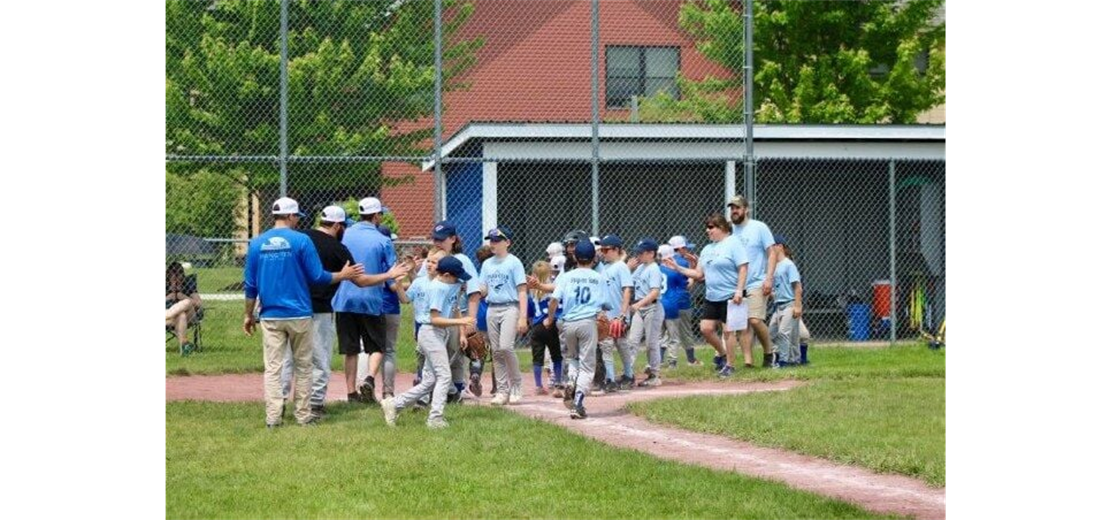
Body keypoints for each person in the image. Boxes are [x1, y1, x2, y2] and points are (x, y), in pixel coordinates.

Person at [243, 197, 365, 428]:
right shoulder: (301, 241)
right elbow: (317, 277)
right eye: (297, 216)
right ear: (290, 216)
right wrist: (342, 275)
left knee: (274, 368)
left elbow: (250, 285)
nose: (298, 220)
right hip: (299, 312)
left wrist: (248, 315)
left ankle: (273, 417)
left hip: (270, 314)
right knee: (304, 365)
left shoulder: (257, 243)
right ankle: (303, 415)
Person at [381, 256, 475, 429]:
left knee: (429, 380)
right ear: (446, 275)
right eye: (456, 277)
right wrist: (461, 322)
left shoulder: (448, 284)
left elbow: (455, 297)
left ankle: (394, 404)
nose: (459, 280)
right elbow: (435, 319)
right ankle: (435, 418)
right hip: (431, 332)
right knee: (444, 376)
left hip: (438, 334)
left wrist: (461, 288)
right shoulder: (437, 289)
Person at [278, 205, 355, 417]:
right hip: (320, 309)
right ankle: (314, 404)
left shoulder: (300, 238)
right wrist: (388, 276)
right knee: (319, 359)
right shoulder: (338, 249)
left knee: (287, 359)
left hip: (292, 307)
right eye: (344, 227)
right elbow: (359, 279)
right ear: (338, 226)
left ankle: (279, 403)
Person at [332, 196, 401, 404]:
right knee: (377, 346)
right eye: (381, 214)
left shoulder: (345, 235)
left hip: (344, 299)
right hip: (371, 299)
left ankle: (351, 393)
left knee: (350, 349)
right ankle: (369, 378)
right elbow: (392, 272)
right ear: (377, 216)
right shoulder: (383, 240)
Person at [662, 213, 748, 376]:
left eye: (711, 227)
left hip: (730, 294)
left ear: (721, 227)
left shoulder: (733, 243)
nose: (707, 231)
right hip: (712, 295)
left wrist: (739, 290)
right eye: (707, 228)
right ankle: (723, 355)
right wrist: (678, 268)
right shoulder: (707, 249)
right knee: (706, 329)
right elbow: (699, 274)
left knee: (728, 331)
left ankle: (730, 365)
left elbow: (743, 267)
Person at [546, 240, 606, 419]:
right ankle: (578, 403)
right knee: (587, 366)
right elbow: (605, 304)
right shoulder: (598, 277)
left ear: (574, 256)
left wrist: (550, 318)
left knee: (572, 359)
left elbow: (554, 300)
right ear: (594, 258)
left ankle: (571, 380)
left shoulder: (566, 276)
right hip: (587, 322)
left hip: (568, 323)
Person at [431, 220, 481, 402]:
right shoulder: (432, 260)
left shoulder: (463, 261)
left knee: (455, 356)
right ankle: (435, 391)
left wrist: (471, 321)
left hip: (456, 315)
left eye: (442, 239)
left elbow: (474, 292)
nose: (437, 243)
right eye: (435, 239)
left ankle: (456, 392)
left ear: (453, 239)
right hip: (435, 315)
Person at [478, 227, 528, 405]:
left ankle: (516, 385)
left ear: (507, 243)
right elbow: (484, 288)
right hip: (492, 307)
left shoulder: (514, 262)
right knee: (497, 352)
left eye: (497, 240)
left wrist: (523, 316)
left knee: (506, 347)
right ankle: (501, 390)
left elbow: (522, 290)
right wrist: (472, 289)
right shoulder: (487, 264)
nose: (493, 244)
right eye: (491, 240)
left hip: (510, 307)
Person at [728, 195, 778, 367]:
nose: (734, 211)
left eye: (737, 208)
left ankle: (770, 352)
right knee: (742, 325)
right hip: (736, 284)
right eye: (732, 208)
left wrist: (769, 278)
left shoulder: (759, 227)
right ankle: (748, 362)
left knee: (755, 320)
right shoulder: (729, 231)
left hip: (757, 280)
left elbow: (771, 253)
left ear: (746, 209)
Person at [626, 239, 665, 387]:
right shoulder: (641, 267)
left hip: (652, 308)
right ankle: (628, 373)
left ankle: (655, 375)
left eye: (641, 253)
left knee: (651, 344)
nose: (638, 255)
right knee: (632, 341)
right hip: (639, 308)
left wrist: (638, 304)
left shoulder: (654, 268)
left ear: (651, 253)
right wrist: (627, 268)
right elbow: (628, 282)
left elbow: (655, 292)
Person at [597, 234, 634, 390]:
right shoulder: (603, 267)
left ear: (616, 250)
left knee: (622, 344)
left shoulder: (621, 267)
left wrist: (623, 313)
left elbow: (627, 289)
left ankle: (629, 375)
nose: (603, 252)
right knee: (606, 345)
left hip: (619, 314)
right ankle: (610, 379)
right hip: (606, 315)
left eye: (606, 249)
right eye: (602, 250)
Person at [659, 244, 700, 368]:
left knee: (662, 334)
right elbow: (687, 285)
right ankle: (689, 359)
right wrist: (694, 267)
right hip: (678, 303)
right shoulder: (681, 263)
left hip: (661, 304)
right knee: (680, 333)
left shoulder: (655, 268)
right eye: (684, 247)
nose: (686, 250)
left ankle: (659, 360)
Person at [527, 260, 563, 394]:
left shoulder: (532, 292)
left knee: (537, 358)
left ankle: (538, 386)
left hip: (537, 326)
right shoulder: (553, 287)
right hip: (551, 323)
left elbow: (530, 311)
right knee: (556, 356)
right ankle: (558, 385)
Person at [769, 235, 803, 366]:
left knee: (784, 333)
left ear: (780, 247)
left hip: (789, 304)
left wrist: (797, 306)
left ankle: (783, 361)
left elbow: (797, 287)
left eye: (773, 246)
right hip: (778, 306)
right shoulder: (774, 266)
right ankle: (791, 358)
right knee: (771, 332)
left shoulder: (789, 265)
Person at [165, 262, 202, 355]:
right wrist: (170, 296)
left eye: (179, 277)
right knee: (181, 315)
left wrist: (182, 296)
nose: (177, 280)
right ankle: (184, 346)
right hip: (171, 320)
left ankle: (168, 314)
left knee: (187, 302)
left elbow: (198, 303)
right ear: (168, 277)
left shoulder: (188, 285)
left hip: (190, 315)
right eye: (173, 278)